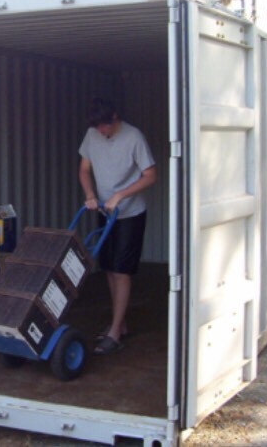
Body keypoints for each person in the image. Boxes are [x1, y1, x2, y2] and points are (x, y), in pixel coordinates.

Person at [78, 98, 157, 354]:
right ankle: (119, 323)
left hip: (130, 214)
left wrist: (120, 195)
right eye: (98, 127)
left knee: (122, 271)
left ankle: (114, 332)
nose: (102, 131)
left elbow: (150, 175)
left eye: (105, 126)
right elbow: (84, 169)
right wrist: (90, 194)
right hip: (105, 211)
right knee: (109, 269)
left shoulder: (134, 137)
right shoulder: (92, 135)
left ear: (114, 116)